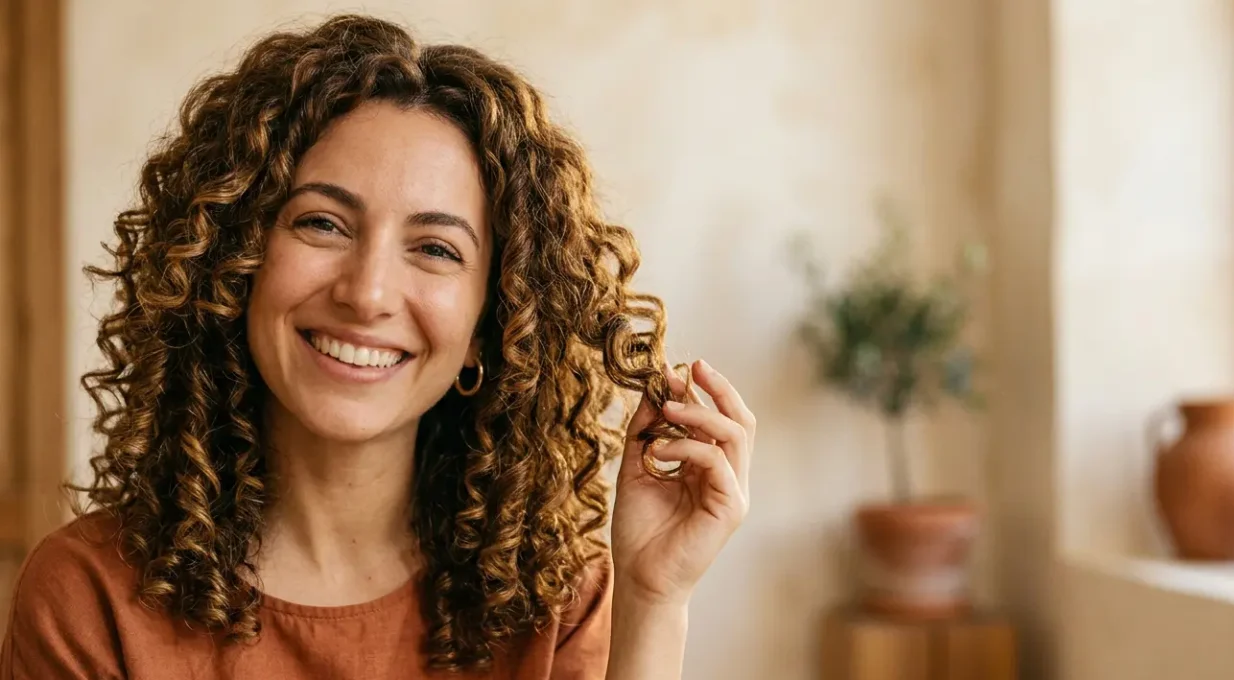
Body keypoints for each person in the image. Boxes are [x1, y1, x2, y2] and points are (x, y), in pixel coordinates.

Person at [0, 13, 755, 680]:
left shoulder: (556, 603)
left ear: (492, 328)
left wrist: (656, 602)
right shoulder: (88, 597)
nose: (366, 293)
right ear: (235, 262)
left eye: (434, 249)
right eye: (322, 223)